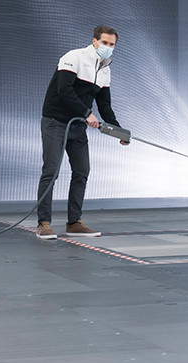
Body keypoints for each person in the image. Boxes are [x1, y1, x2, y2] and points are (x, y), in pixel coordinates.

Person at [36, 26, 127, 238]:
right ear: (94, 41)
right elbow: (64, 90)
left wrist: (120, 132)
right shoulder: (73, 57)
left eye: (112, 45)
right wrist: (86, 112)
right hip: (55, 122)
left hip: (77, 126)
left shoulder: (105, 70)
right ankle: (43, 223)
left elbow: (105, 107)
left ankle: (74, 223)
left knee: (82, 172)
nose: (108, 47)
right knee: (51, 171)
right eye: (104, 43)